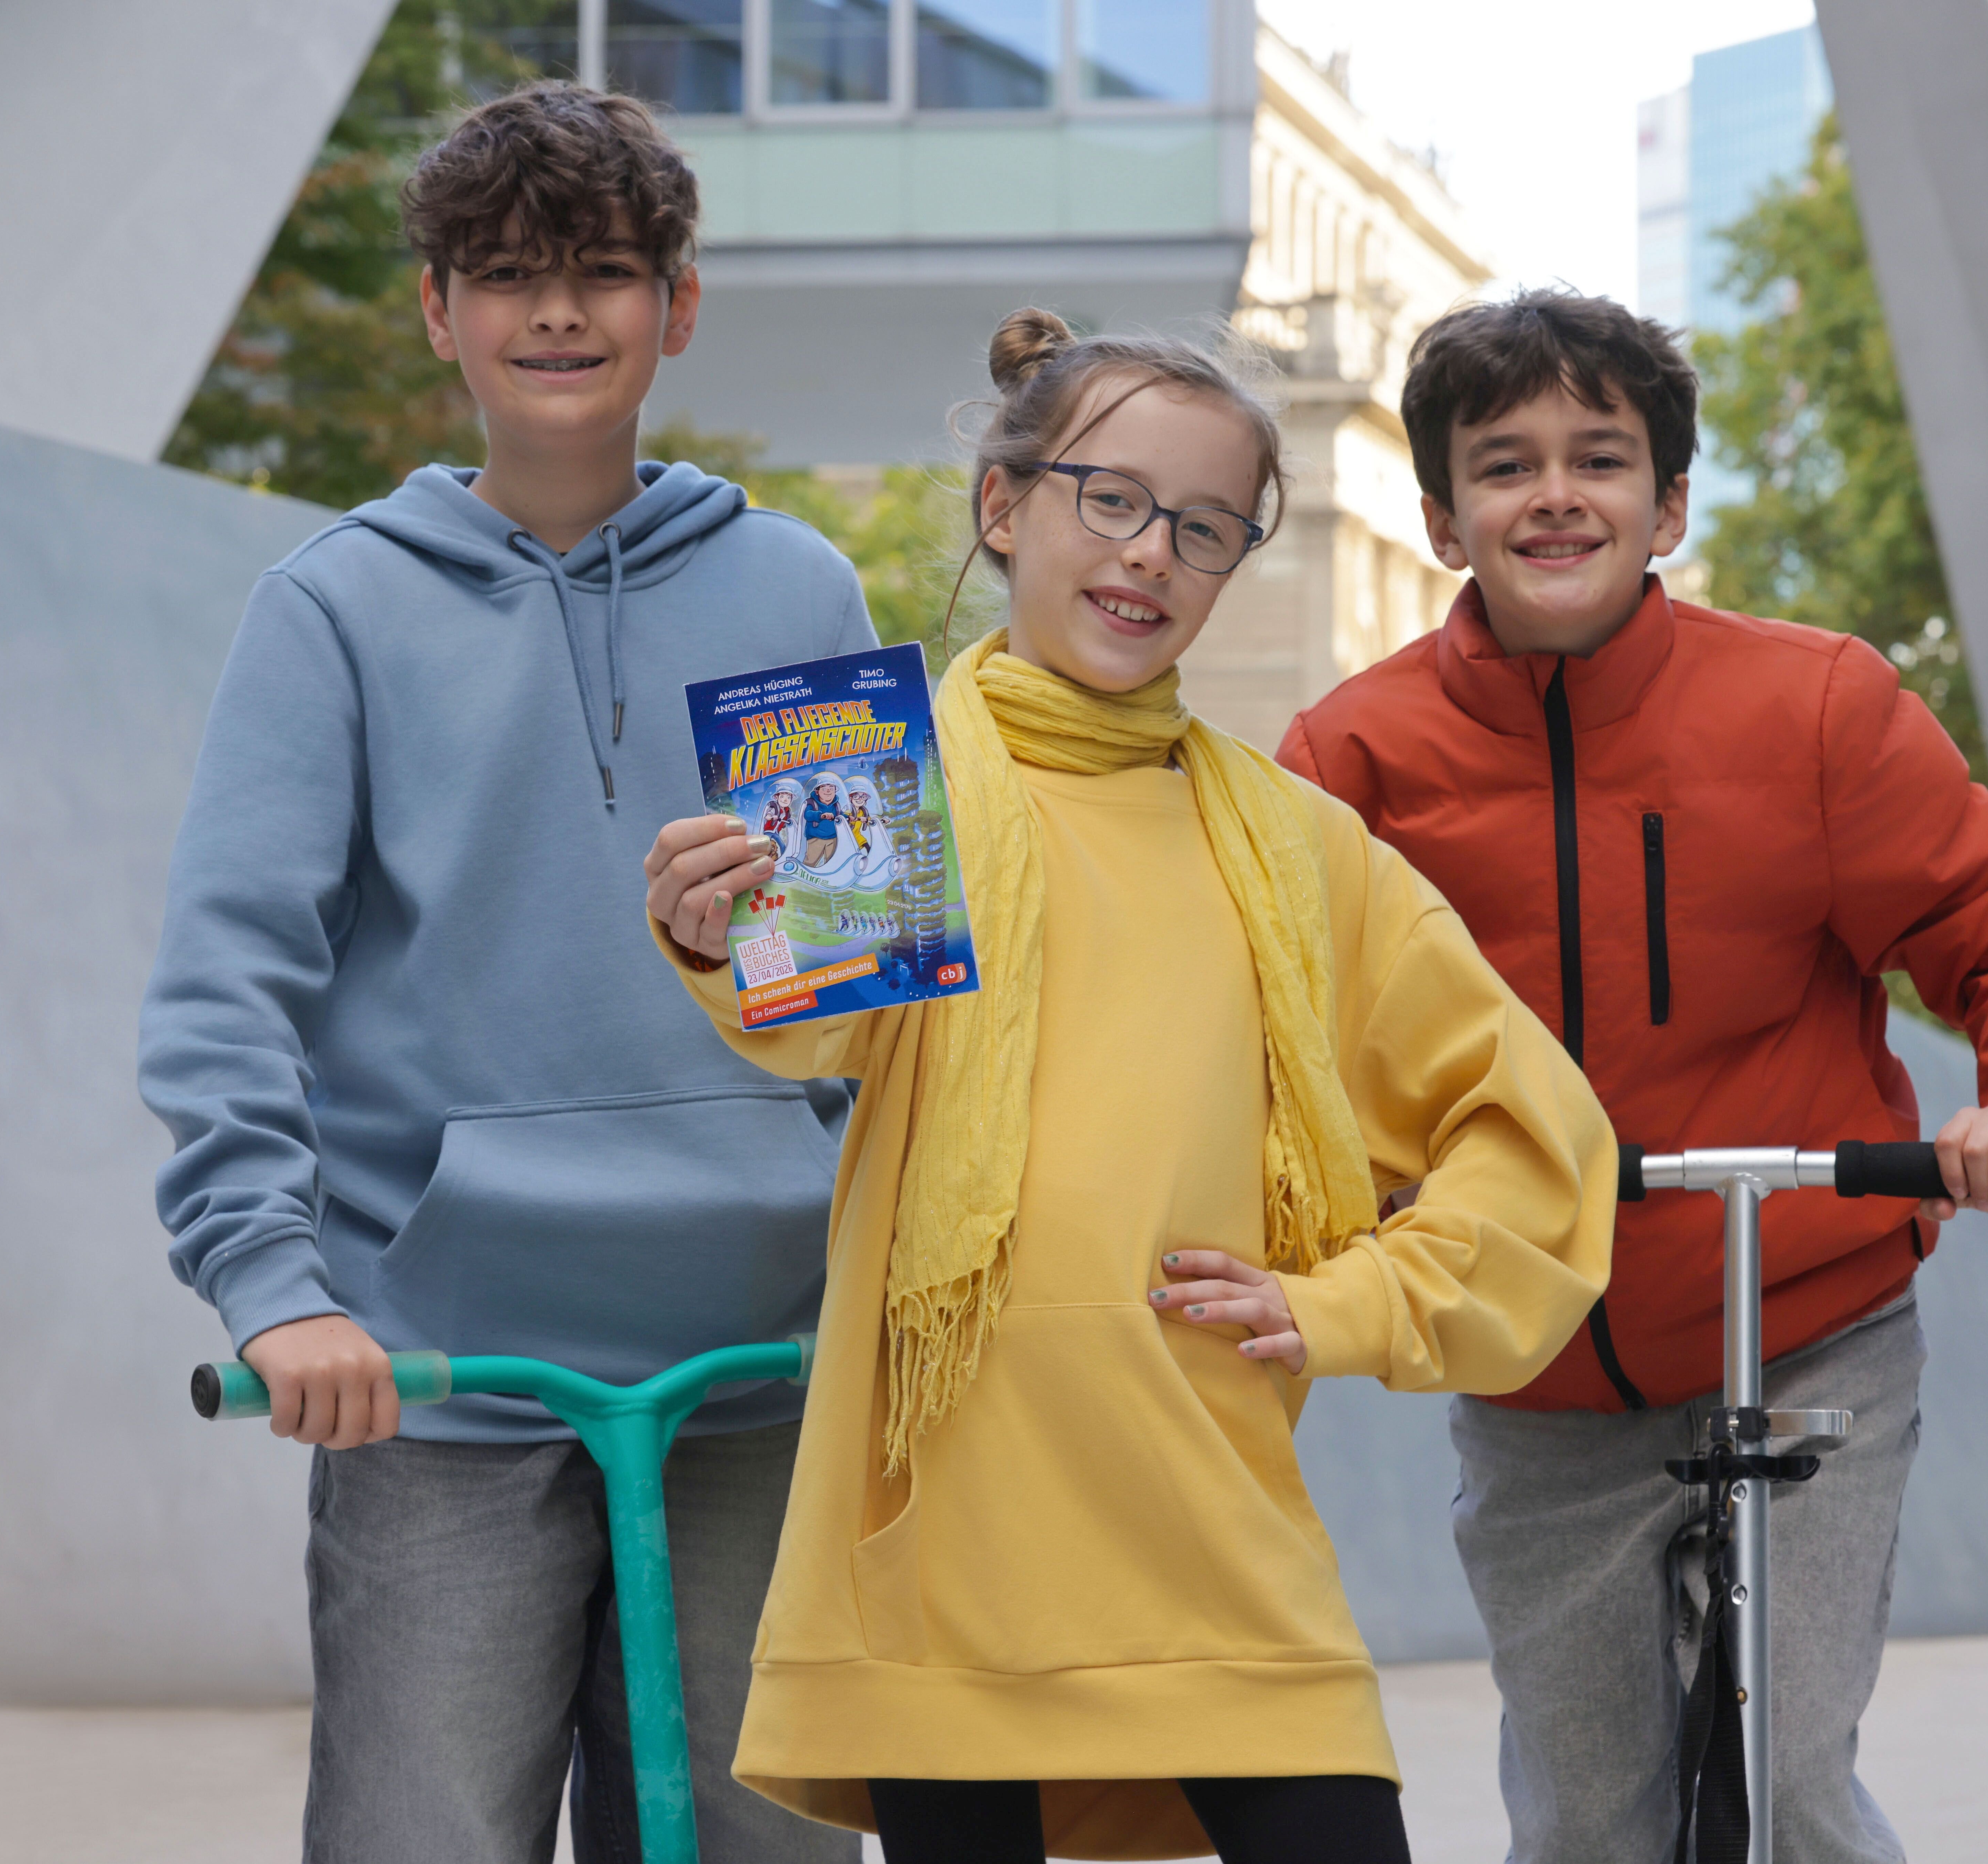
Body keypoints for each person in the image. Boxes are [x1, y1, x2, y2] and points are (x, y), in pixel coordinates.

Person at [639, 309, 1622, 1864]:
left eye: (1205, 525)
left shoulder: (1299, 849)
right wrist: (713, 936)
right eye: (1109, 498)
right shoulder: (874, 790)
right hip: (938, 1535)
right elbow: (808, 1033)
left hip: (1207, 1516)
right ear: (1003, 506)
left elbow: (1538, 1135)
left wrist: (1353, 1299)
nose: (1151, 551)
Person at [1276, 289, 1988, 1864]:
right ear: (1442, 517)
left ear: (1667, 503)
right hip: (1529, 1356)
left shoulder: (1808, 704)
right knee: (1583, 1813)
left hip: (1806, 1317)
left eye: (1599, 458)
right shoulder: (1352, 760)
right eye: (1505, 462)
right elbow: (1267, 1027)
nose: (1554, 493)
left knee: (1790, 1777)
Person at [137, 81, 870, 1864]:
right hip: (444, 1369)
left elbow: (869, 999)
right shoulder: (337, 609)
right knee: (425, 1833)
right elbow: (231, 970)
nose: (558, 312)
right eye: (510, 274)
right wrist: (275, 1282)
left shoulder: (800, 591)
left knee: (764, 1842)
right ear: (438, 309)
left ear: (677, 307)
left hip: (761, 1360)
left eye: (606, 272)